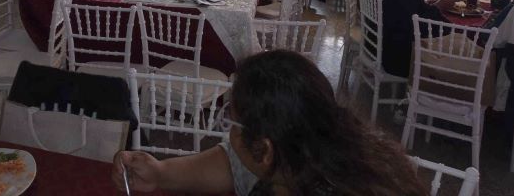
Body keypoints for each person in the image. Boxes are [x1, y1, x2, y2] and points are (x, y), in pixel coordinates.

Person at [113, 50, 427, 196]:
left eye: (233, 124)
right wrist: (160, 173)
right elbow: (233, 164)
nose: (229, 134)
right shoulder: (319, 148)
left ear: (264, 150)